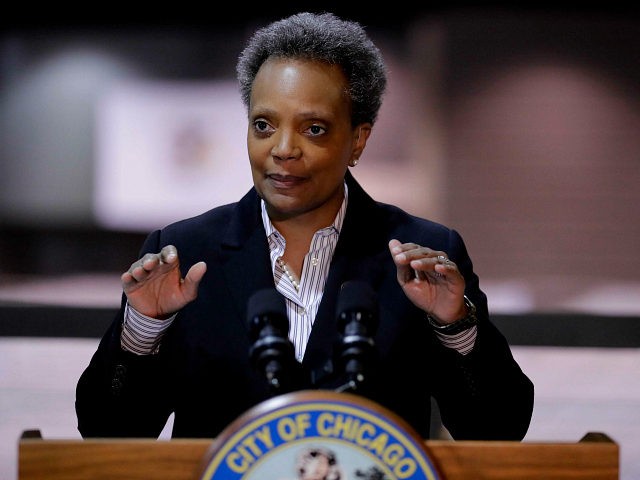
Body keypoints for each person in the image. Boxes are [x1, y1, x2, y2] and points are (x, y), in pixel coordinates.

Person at [76, 11, 534, 441]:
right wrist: (142, 330)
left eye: (313, 128)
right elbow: (107, 430)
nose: (283, 148)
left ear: (358, 140)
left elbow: (499, 427)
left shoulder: (425, 254)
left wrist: (455, 325)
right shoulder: (184, 252)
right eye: (263, 125)